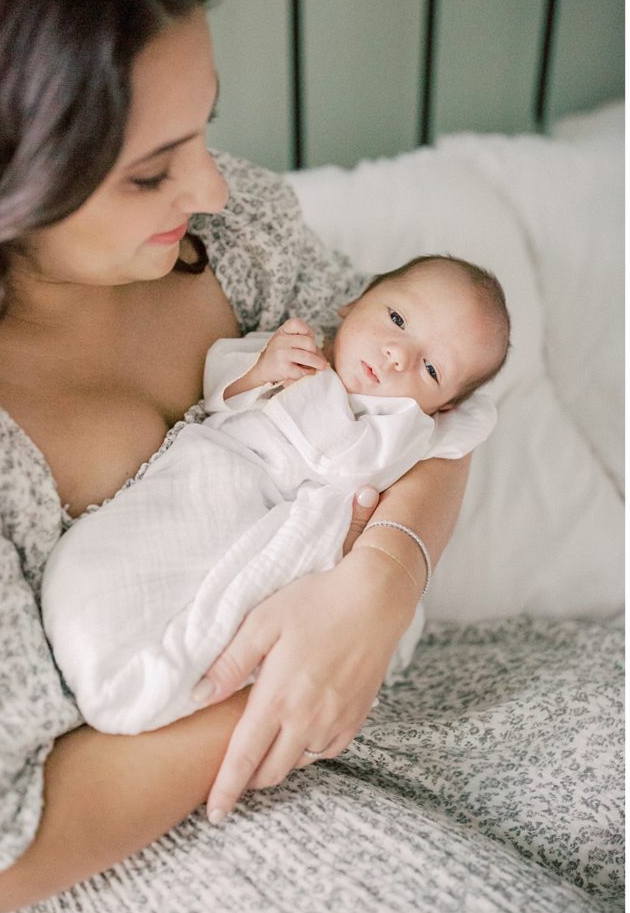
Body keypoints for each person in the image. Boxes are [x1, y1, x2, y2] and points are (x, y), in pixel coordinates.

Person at [0, 0, 474, 913]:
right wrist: (293, 675)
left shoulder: (241, 238)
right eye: (150, 170)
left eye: (204, 131)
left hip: (378, 684)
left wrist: (379, 583)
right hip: (163, 826)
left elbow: (439, 406)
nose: (211, 187)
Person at [42, 254, 509, 736]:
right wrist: (261, 371)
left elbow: (475, 421)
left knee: (235, 613)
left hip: (294, 533)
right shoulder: (292, 353)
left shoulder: (409, 428)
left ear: (443, 405)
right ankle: (104, 626)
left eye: (431, 368)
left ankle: (168, 680)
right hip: (217, 479)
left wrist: (443, 403)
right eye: (396, 319)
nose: (398, 355)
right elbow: (218, 397)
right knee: (119, 562)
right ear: (353, 303)